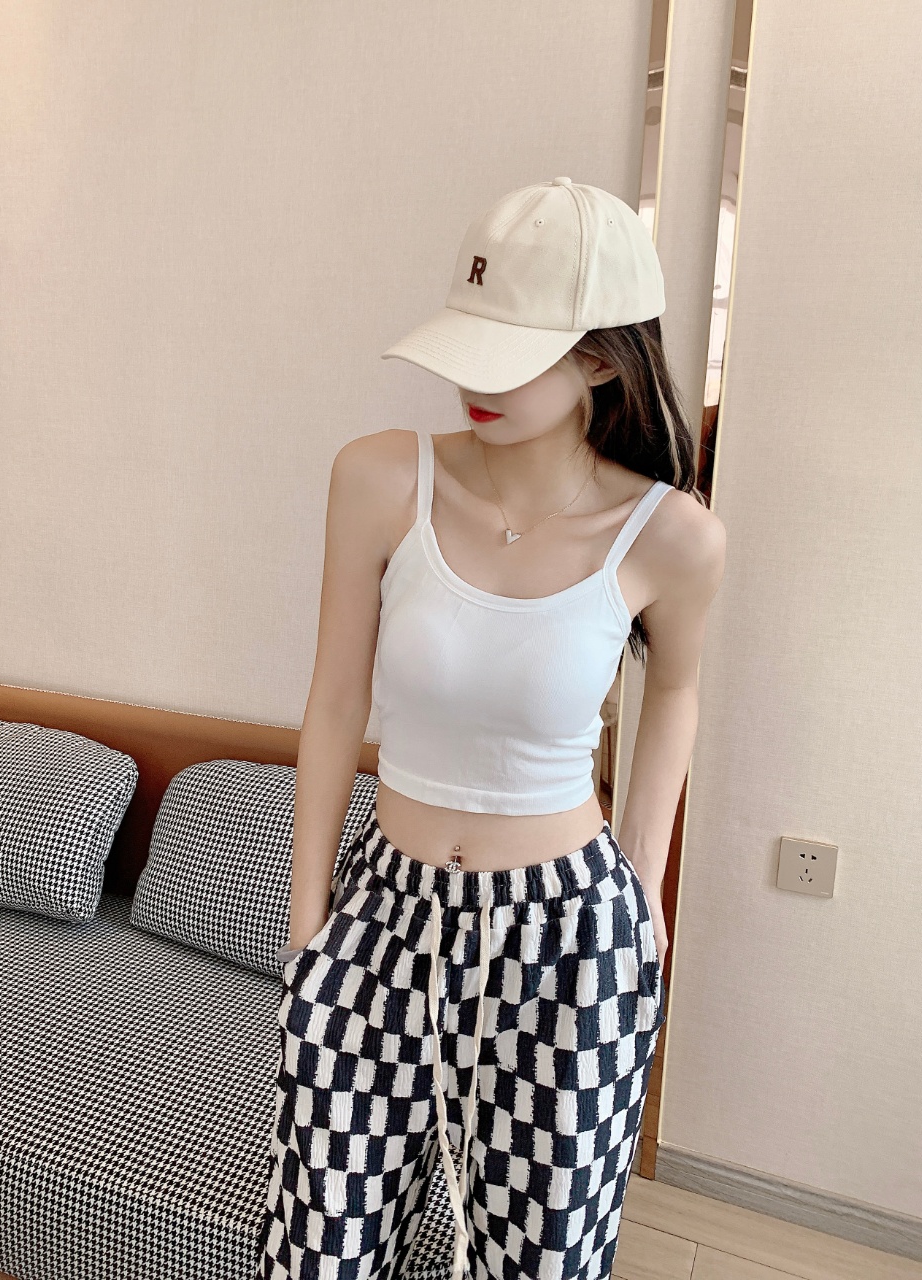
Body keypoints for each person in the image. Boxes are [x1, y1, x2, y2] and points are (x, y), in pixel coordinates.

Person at [257, 177, 726, 1280]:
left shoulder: (670, 537)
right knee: (320, 1247)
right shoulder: (380, 478)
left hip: (565, 936)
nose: (473, 382)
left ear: (602, 359)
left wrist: (642, 886)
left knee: (540, 1256)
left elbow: (674, 692)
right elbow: (334, 701)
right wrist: (309, 914)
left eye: (509, 357)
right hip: (383, 911)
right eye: (466, 346)